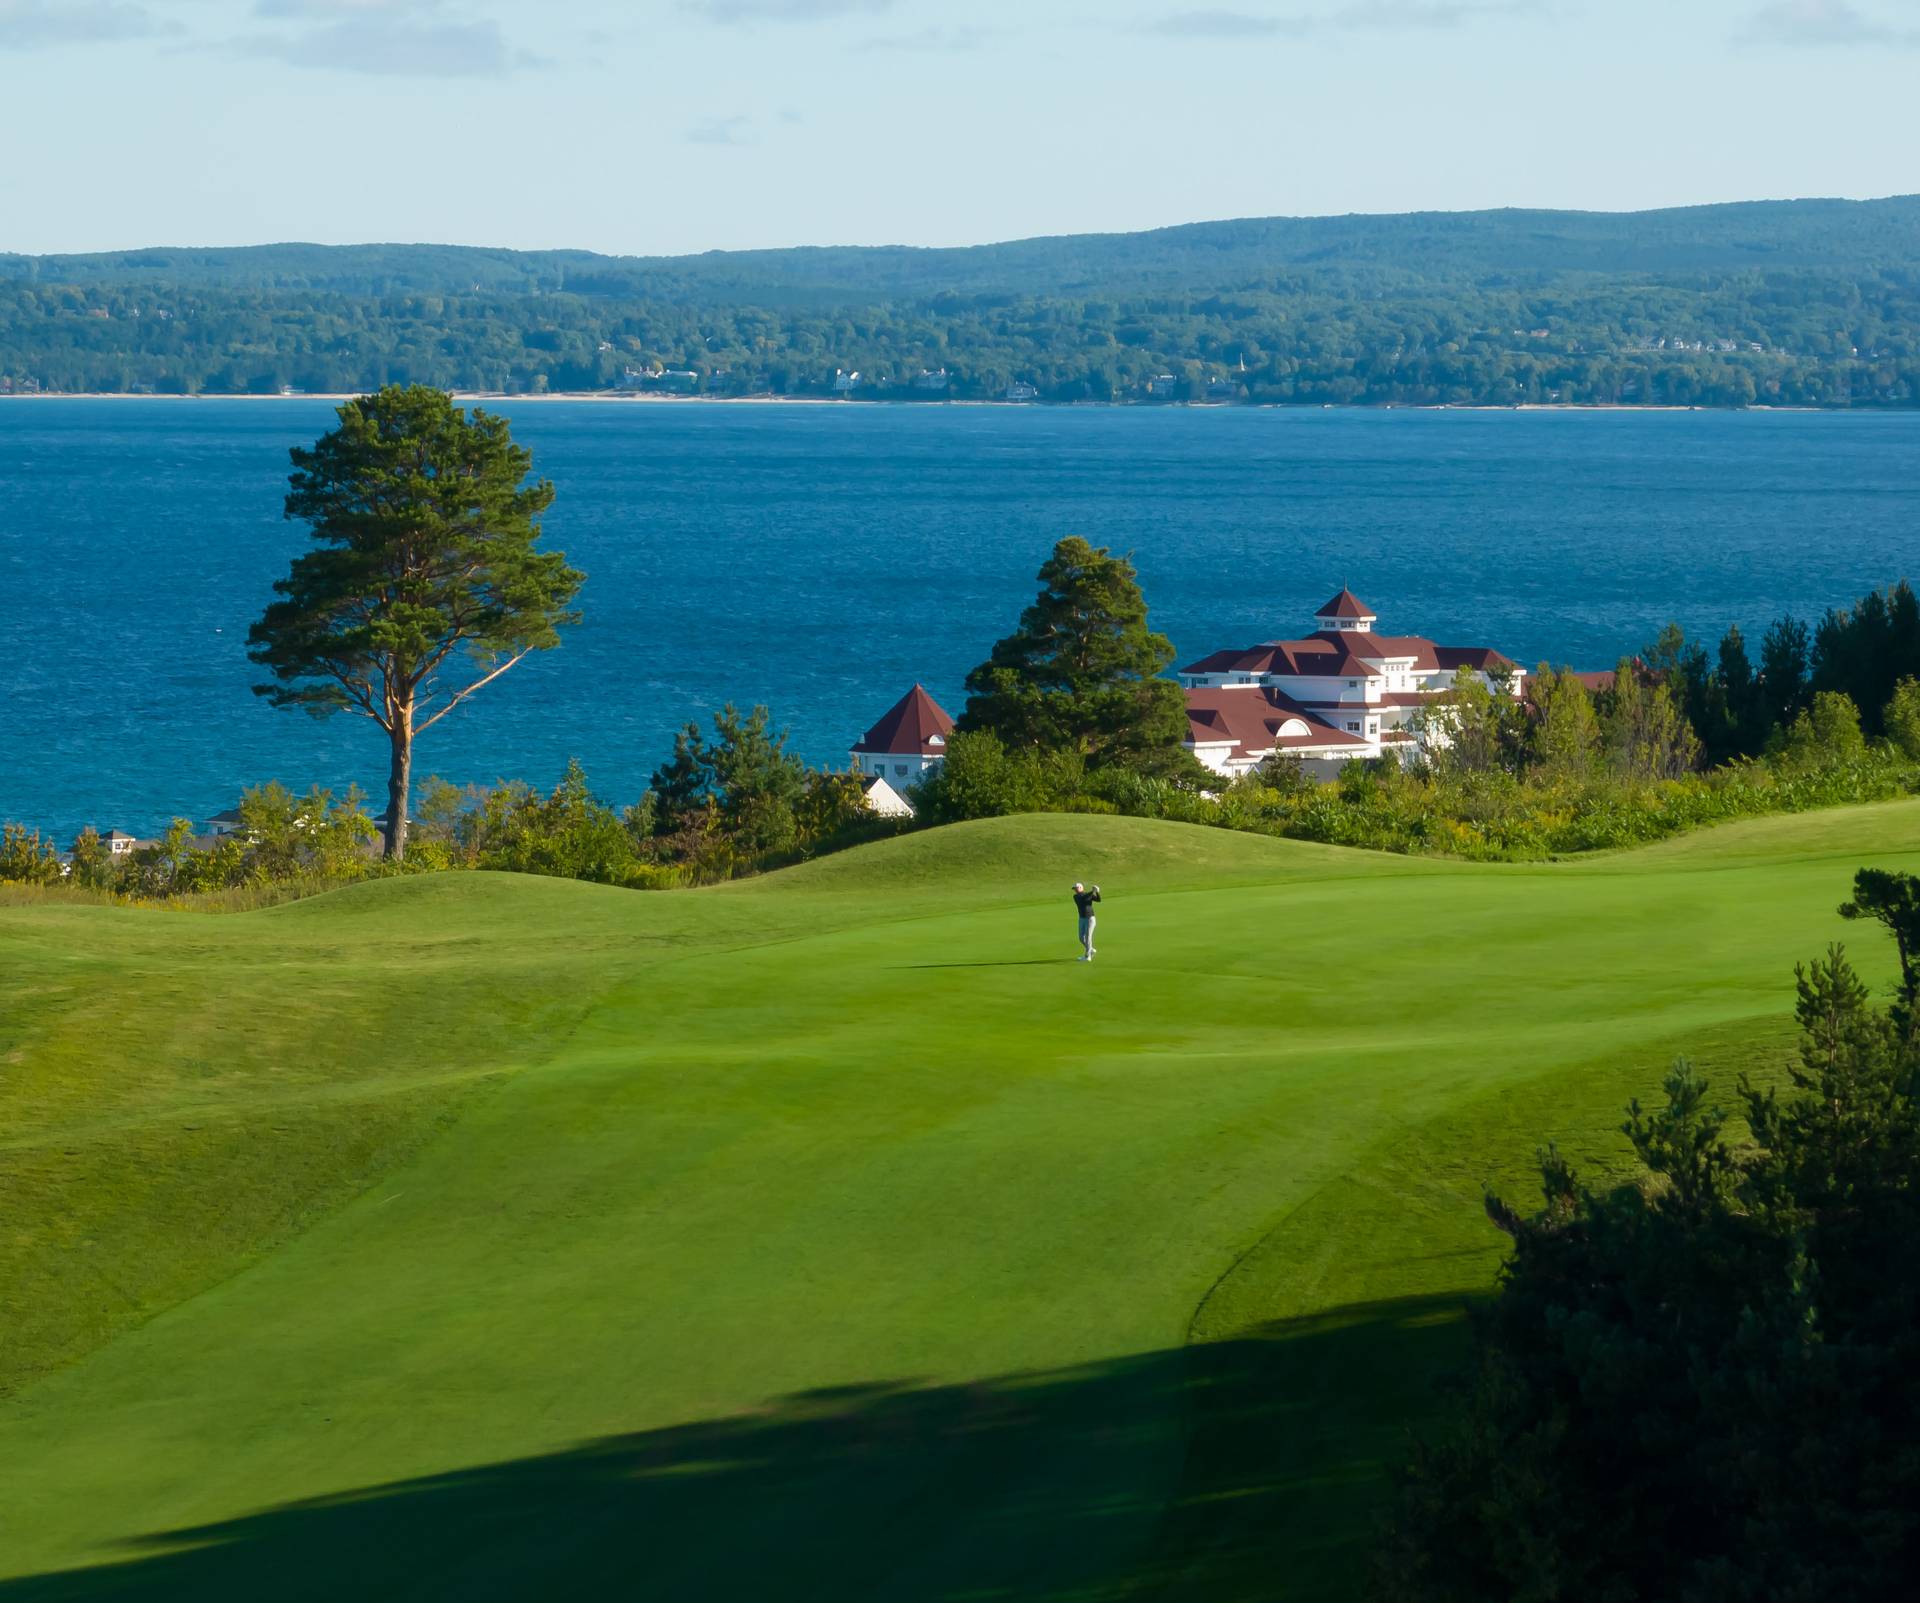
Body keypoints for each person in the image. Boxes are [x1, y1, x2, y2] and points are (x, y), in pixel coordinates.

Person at [1072, 881, 1101, 961]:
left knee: (1088, 937)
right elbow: (1083, 898)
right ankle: (1091, 949)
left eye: (1076, 888)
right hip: (1081, 919)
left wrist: (1097, 892)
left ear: (1081, 888)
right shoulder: (1076, 897)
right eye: (1074, 889)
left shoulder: (1088, 895)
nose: (1075, 890)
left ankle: (1087, 956)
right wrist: (1093, 891)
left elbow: (1098, 900)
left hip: (1090, 919)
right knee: (1081, 938)